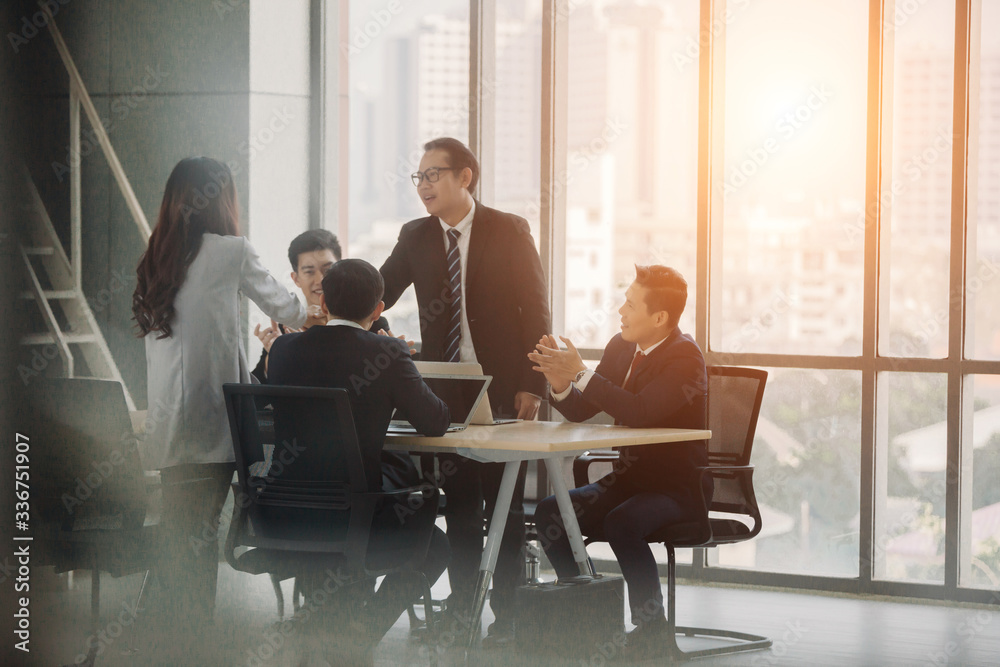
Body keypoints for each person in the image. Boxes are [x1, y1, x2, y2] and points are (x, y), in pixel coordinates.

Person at [379, 137, 551, 643]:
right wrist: (353, 325)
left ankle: (511, 616)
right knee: (458, 506)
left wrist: (532, 384)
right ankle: (462, 612)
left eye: (434, 175)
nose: (424, 185)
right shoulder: (415, 236)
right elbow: (379, 293)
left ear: (465, 177)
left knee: (506, 507)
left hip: (504, 389)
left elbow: (537, 311)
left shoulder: (508, 230)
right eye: (420, 177)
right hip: (447, 394)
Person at [132, 157, 307, 641]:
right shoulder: (231, 250)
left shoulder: (157, 256)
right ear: (223, 199)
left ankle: (169, 635)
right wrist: (324, 306)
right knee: (199, 531)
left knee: (181, 526)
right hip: (211, 419)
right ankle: (189, 638)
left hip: (169, 422)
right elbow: (286, 306)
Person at [267, 258, 451, 662]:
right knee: (435, 544)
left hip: (283, 514)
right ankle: (363, 631)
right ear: (378, 310)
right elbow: (435, 420)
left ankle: (332, 628)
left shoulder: (281, 349)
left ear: (325, 303)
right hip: (355, 518)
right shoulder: (386, 351)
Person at [528, 265, 710, 660]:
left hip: (677, 487)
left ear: (659, 317)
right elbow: (581, 409)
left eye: (630, 304)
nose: (620, 311)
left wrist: (580, 372)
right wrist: (560, 380)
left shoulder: (685, 359)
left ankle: (651, 631)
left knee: (623, 522)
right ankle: (584, 609)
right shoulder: (621, 346)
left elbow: (640, 411)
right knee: (551, 513)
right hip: (629, 481)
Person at [250, 228, 389, 383]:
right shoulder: (283, 331)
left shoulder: (373, 323)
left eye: (328, 270)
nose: (321, 280)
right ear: (295, 278)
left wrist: (392, 355)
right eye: (309, 272)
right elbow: (256, 397)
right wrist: (274, 358)